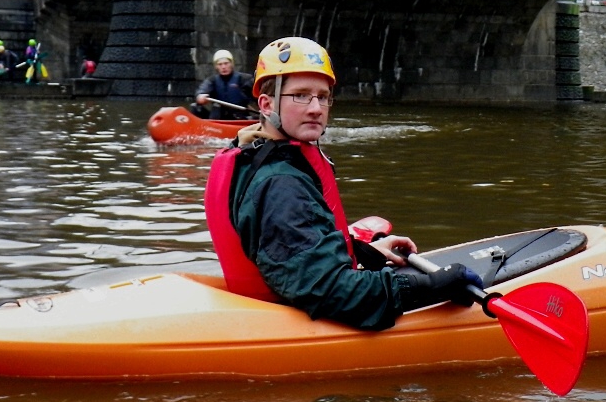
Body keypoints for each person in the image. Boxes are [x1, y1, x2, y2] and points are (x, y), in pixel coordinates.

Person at [204, 37, 482, 331]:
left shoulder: (254, 153)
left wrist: (361, 251)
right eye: (300, 95)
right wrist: (430, 286)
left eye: (322, 97)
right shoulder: (281, 184)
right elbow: (330, 291)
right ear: (266, 103)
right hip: (291, 323)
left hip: (278, 301)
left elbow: (289, 253)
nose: (315, 108)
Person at [193, 49, 256, 120]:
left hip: (239, 116)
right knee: (195, 107)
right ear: (216, 67)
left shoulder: (244, 78)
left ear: (232, 64)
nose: (223, 67)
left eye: (226, 63)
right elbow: (202, 90)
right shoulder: (212, 80)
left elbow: (257, 95)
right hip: (219, 117)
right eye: (220, 64)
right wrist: (200, 96)